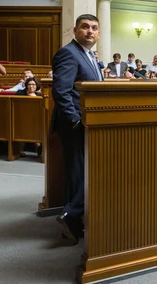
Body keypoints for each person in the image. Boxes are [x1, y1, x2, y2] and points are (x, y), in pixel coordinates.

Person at [51, 14, 103, 245]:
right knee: (79, 173)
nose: (90, 31)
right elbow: (61, 91)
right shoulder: (69, 53)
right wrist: (74, 120)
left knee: (80, 174)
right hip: (75, 124)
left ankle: (72, 223)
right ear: (75, 31)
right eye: (85, 27)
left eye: (94, 28)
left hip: (87, 122)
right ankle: (71, 216)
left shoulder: (89, 56)